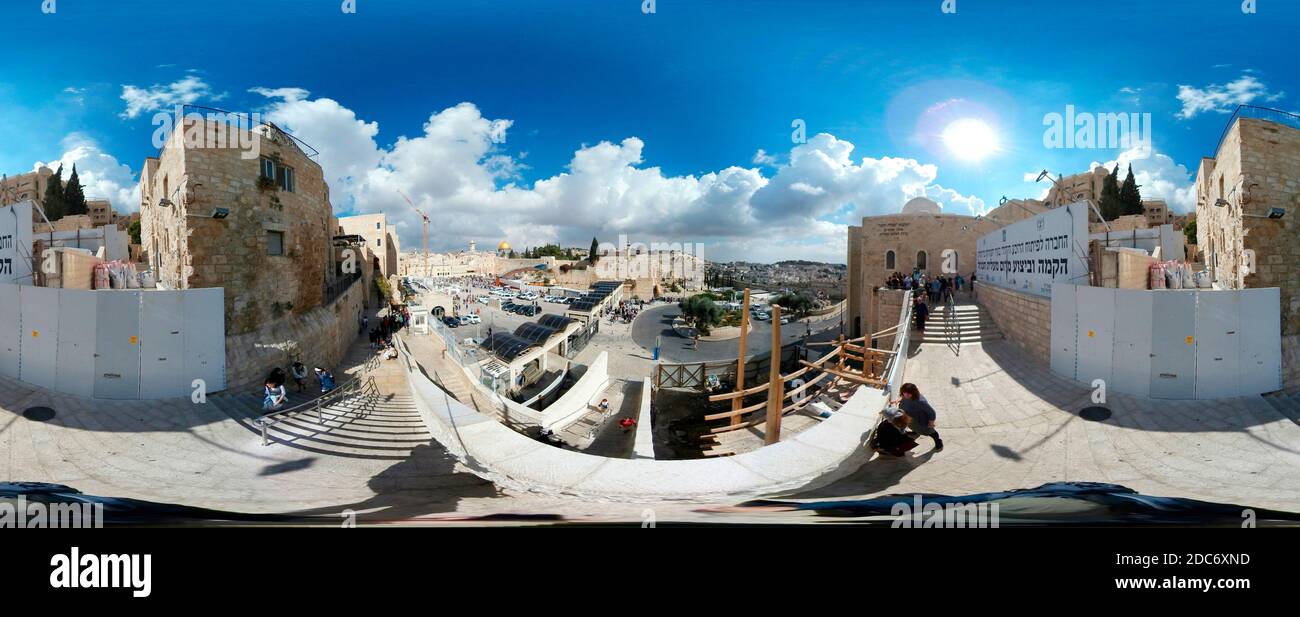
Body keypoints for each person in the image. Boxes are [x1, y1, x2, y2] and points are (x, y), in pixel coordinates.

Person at [893, 382, 944, 452]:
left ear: (913, 393)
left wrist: (931, 422)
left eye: (909, 393)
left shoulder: (920, 401)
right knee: (913, 426)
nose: (906, 395)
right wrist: (898, 400)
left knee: (930, 432)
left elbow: (931, 412)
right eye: (905, 392)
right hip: (911, 418)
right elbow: (903, 397)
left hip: (920, 420)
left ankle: (938, 441)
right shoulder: (905, 396)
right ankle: (916, 432)